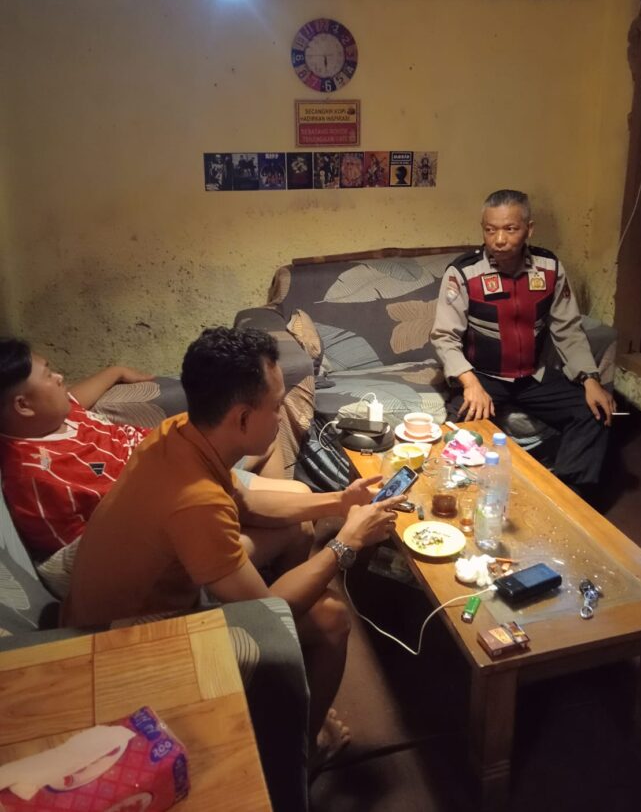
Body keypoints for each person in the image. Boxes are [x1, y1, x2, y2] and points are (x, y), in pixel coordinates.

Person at [62, 326, 399, 761]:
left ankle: (282, 685)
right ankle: (304, 753)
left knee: (296, 530)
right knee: (331, 618)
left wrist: (340, 501)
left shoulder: (178, 432)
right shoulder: (195, 502)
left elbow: (247, 503)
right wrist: (347, 542)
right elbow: (267, 612)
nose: (280, 418)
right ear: (241, 418)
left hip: (113, 606)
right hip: (120, 649)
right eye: (275, 407)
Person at [430, 189, 615, 499]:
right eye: (490, 230)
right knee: (458, 433)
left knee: (593, 411)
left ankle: (569, 498)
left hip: (534, 376)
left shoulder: (549, 267)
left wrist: (590, 378)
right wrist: (469, 383)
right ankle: (462, 499)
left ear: (529, 229)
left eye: (510, 229)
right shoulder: (463, 272)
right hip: (484, 376)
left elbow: (568, 329)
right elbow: (444, 336)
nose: (499, 239)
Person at [0, 339, 154, 558]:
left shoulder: (49, 416)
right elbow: (82, 553)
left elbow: (76, 395)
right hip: (155, 497)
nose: (59, 377)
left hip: (163, 449)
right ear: (23, 405)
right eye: (48, 375)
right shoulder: (35, 479)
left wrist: (117, 371)